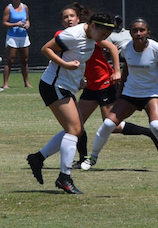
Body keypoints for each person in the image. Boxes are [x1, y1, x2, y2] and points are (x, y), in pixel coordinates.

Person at [47, 4, 158, 169]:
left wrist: (116, 71)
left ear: (78, 19)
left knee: (111, 125)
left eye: (72, 16)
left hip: (104, 83)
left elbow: (113, 48)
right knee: (78, 123)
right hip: (91, 85)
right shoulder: (67, 36)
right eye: (65, 17)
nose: (69, 19)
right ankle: (82, 159)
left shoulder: (92, 36)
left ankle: (149, 132)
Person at [25, 10, 117, 195]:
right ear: (92, 26)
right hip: (53, 85)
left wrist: (79, 78)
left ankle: (38, 158)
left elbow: (79, 58)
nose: (104, 39)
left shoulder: (92, 38)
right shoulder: (73, 35)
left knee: (75, 129)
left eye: (107, 36)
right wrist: (66, 66)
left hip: (66, 86)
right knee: (75, 130)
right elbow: (46, 49)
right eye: (103, 34)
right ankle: (64, 177)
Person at [84, 18, 158, 173]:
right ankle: (92, 158)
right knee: (108, 124)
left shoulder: (157, 49)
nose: (138, 33)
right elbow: (127, 69)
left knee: (156, 125)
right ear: (131, 33)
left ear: (148, 32)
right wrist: (120, 91)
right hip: (130, 93)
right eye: (134, 30)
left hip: (152, 93)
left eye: (142, 30)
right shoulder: (126, 48)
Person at [2, 0, 31, 89]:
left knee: (25, 60)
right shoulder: (8, 8)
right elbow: (4, 23)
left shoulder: (25, 7)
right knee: (10, 60)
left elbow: (27, 20)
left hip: (23, 36)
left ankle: (26, 83)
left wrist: (27, 24)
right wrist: (15, 24)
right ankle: (5, 84)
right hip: (12, 37)